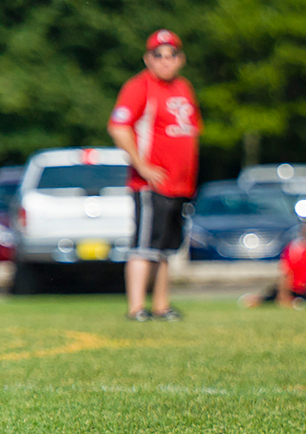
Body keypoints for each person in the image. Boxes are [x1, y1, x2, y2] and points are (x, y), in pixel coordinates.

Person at [108, 30, 201, 322]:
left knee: (164, 249)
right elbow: (118, 127)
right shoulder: (140, 87)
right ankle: (136, 307)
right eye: (158, 55)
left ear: (180, 58)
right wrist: (142, 165)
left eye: (171, 54)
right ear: (148, 59)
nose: (165, 61)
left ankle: (161, 306)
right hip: (151, 184)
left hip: (179, 185)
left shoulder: (184, 88)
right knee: (144, 246)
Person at [243, 220, 306, 308]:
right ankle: (254, 300)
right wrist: (284, 297)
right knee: (269, 297)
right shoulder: (296, 251)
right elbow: (286, 275)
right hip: (296, 290)